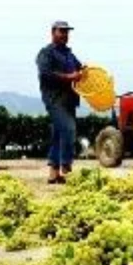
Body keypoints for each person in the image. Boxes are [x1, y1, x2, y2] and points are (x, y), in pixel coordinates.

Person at [36, 20, 83, 184]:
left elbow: (81, 70)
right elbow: (46, 74)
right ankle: (66, 168)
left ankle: (53, 173)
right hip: (54, 99)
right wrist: (70, 77)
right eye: (61, 31)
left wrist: (86, 72)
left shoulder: (69, 55)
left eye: (66, 32)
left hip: (70, 99)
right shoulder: (46, 53)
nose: (64, 35)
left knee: (58, 134)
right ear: (53, 32)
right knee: (69, 130)